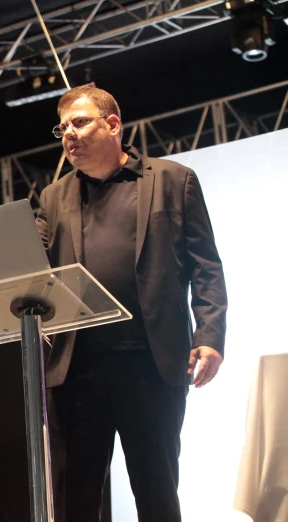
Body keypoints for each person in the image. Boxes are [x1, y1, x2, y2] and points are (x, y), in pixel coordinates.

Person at [35, 84, 227, 522]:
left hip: (151, 364)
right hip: (76, 369)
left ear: (113, 124)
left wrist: (211, 335)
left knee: (156, 492)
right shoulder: (53, 196)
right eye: (62, 127)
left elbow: (206, 268)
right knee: (74, 500)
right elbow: (37, 269)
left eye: (79, 122)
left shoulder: (173, 180)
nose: (69, 134)